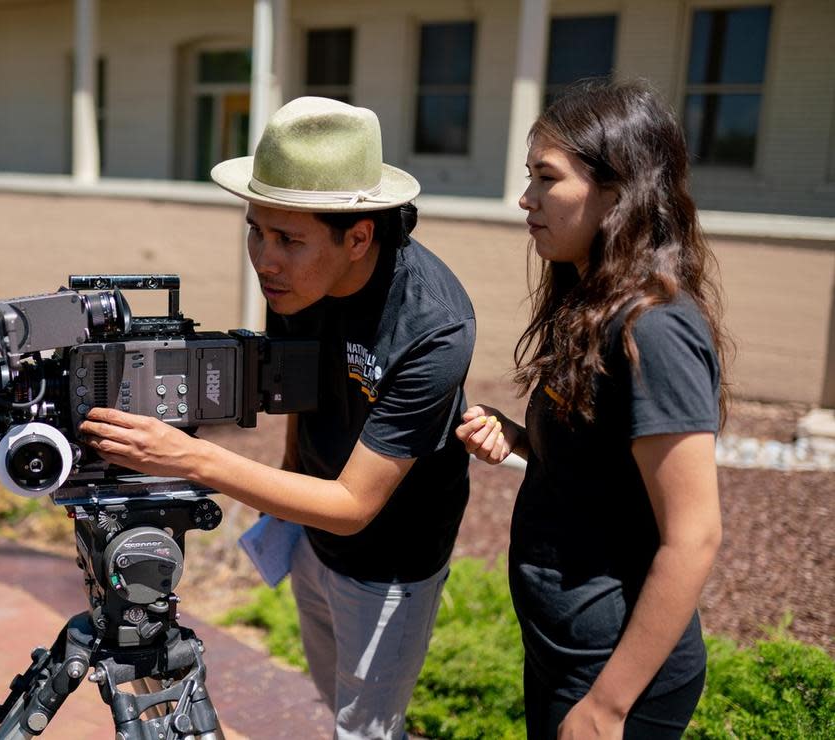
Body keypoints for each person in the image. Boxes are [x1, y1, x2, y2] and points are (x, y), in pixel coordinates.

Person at [81, 96, 476, 739]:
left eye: (288, 239)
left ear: (358, 235)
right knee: (333, 699)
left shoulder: (433, 327)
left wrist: (190, 459)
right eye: (255, 230)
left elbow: (353, 504)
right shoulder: (297, 281)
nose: (264, 259)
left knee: (365, 730)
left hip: (389, 560)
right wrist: (286, 499)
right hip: (309, 526)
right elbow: (305, 392)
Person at [457, 78, 728, 739]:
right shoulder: (589, 305)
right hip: (567, 653)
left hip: (615, 680)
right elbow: (601, 468)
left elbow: (693, 537)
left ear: (616, 191)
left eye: (546, 179)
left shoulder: (654, 332)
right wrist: (520, 438)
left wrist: (608, 707)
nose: (526, 200)